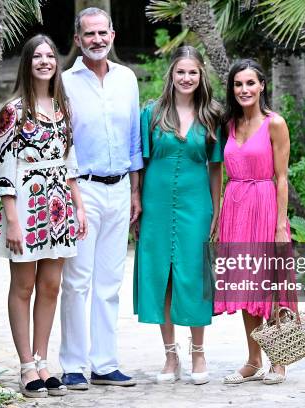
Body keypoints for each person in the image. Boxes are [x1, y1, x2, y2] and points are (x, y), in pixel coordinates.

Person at [0, 34, 87, 398]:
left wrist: (78, 205)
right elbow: (2, 167)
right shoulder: (13, 110)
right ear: (27, 63)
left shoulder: (64, 107)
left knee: (50, 286)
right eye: (38, 56)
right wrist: (11, 217)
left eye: (51, 56)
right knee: (24, 286)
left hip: (59, 203)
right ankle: (26, 365)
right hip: (26, 206)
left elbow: (70, 162)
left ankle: (43, 360)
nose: (45, 61)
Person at [58, 7, 142, 389]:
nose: (97, 40)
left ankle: (105, 364)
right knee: (77, 281)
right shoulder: (65, 82)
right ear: (77, 39)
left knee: (109, 281)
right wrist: (71, 197)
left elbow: (134, 140)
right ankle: (73, 364)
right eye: (89, 34)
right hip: (83, 188)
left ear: (113, 35)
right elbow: (61, 141)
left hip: (120, 187)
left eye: (102, 33)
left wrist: (136, 190)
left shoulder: (127, 78)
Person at [133, 46, 223, 385]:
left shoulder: (212, 115)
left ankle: (198, 352)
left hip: (196, 205)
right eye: (180, 72)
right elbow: (139, 163)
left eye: (193, 72)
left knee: (195, 276)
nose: (186, 78)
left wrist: (216, 210)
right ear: (171, 74)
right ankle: (170, 356)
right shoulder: (151, 114)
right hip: (156, 206)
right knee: (162, 275)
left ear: (201, 76)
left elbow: (216, 168)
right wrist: (136, 198)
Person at [216, 59, 296, 385]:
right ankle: (252, 360)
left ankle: (279, 362)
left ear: (262, 85)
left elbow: (282, 177)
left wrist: (280, 225)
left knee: (269, 286)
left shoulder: (275, 123)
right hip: (236, 209)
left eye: (250, 83)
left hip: (265, 205)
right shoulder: (230, 124)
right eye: (238, 84)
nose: (244, 90)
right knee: (246, 284)